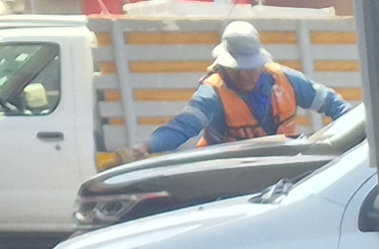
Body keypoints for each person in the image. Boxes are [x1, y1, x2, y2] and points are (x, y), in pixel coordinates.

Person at [144, 20, 347, 152]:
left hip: (283, 166)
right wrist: (146, 148)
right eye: (237, 69)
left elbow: (332, 103)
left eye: (251, 68)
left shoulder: (286, 80)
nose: (245, 75)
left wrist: (362, 131)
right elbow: (182, 127)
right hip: (227, 174)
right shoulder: (213, 94)